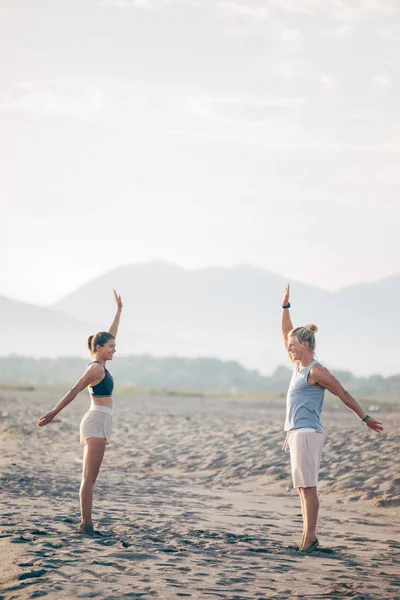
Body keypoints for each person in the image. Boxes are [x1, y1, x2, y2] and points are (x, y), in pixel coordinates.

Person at [281, 284, 383, 553]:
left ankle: (310, 538)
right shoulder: (298, 366)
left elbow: (343, 392)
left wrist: (365, 417)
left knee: (308, 487)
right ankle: (308, 537)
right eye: (289, 346)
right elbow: (284, 333)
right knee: (303, 488)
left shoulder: (316, 371)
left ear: (304, 344)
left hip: (307, 433)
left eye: (293, 346)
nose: (289, 349)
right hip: (297, 432)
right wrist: (285, 307)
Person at [37, 289, 123, 536]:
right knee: (88, 479)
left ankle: (87, 524)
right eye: (110, 347)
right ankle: (86, 525)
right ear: (98, 348)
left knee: (90, 478)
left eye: (115, 346)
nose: (114, 349)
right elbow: (75, 389)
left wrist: (118, 311)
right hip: (97, 421)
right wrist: (54, 412)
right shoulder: (96, 369)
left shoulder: (101, 362)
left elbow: (110, 334)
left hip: (100, 421)